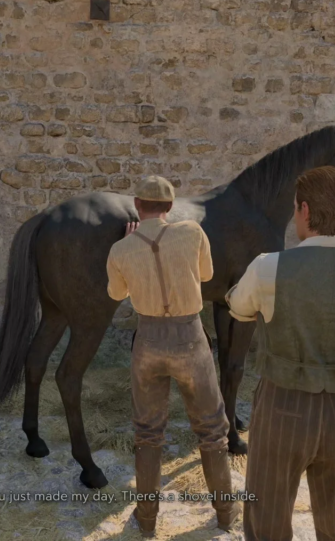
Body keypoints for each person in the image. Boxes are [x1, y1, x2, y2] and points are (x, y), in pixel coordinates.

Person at [226, 166, 335, 541]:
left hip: (281, 407)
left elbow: (239, 309)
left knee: (267, 516)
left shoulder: (268, 267)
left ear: (303, 210)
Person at [107, 175, 240, 537]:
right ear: (169, 206)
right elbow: (207, 274)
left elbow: (117, 292)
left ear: (137, 204)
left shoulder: (122, 249)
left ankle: (147, 521)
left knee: (147, 434)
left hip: (147, 340)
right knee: (213, 431)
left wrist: (129, 245)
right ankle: (226, 514)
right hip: (189, 338)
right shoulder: (193, 232)